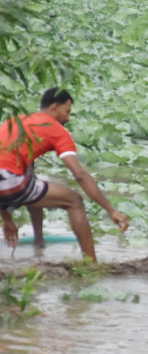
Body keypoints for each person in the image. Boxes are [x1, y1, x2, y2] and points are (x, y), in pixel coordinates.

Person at [0, 88, 129, 261]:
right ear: (54, 107)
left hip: (7, 179)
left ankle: (39, 242)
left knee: (35, 185)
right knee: (74, 200)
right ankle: (91, 265)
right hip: (9, 180)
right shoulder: (55, 130)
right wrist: (111, 210)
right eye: (67, 111)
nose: (68, 118)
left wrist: (7, 219)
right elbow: (80, 174)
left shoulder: (18, 121)